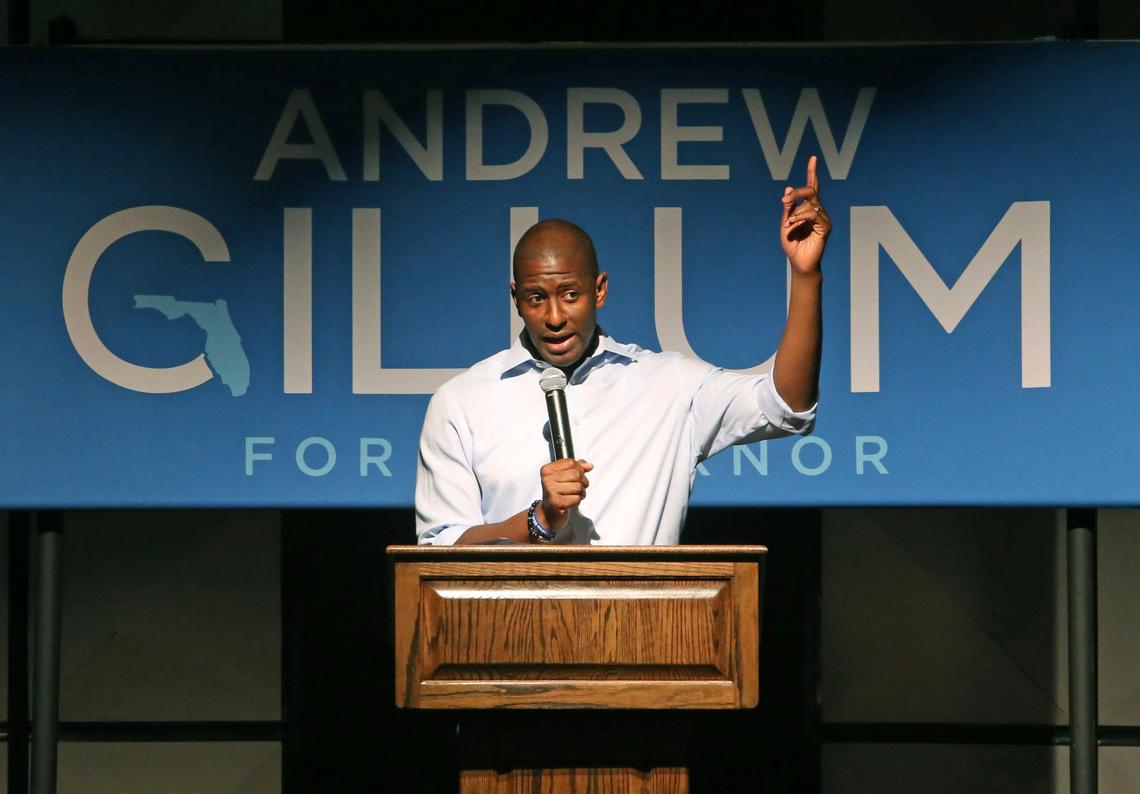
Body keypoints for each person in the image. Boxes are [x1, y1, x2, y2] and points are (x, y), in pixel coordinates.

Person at [415, 156, 830, 545]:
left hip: (642, 622)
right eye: (536, 298)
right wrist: (537, 521)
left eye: (570, 294)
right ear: (516, 299)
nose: (555, 316)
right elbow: (437, 549)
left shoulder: (670, 385)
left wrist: (805, 275)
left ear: (600, 291)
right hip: (512, 623)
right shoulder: (460, 403)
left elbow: (786, 406)